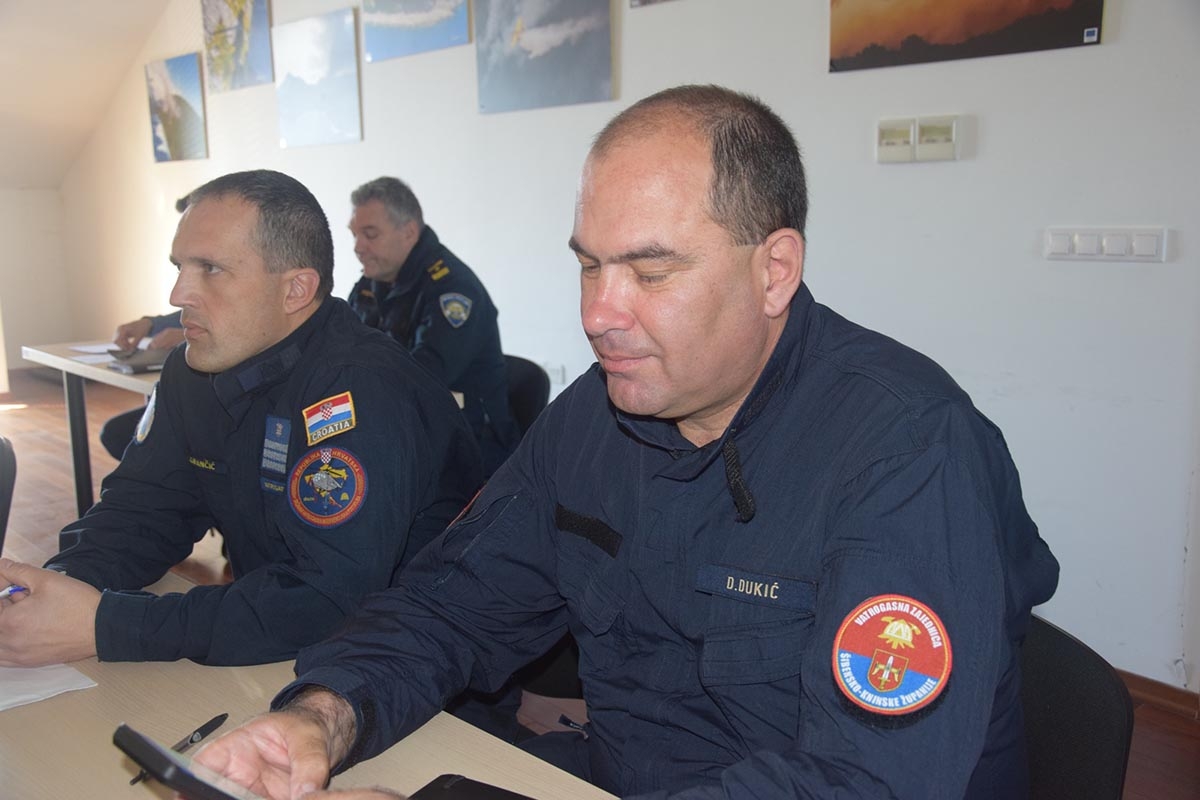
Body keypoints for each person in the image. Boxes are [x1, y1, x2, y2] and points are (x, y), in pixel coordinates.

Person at [189, 87, 1059, 799]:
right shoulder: (596, 416)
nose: (599, 314)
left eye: (650, 271)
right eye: (588, 265)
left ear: (774, 272)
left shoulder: (907, 449)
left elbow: (863, 782)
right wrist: (317, 720)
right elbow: (451, 603)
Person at [0, 169, 483, 667]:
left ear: (296, 290)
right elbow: (144, 509)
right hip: (280, 645)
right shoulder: (193, 370)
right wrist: (60, 585)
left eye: (210, 268)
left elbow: (325, 600)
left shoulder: (361, 390)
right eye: (180, 266)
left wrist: (108, 625)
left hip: (412, 664)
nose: (178, 294)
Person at [347, 177, 520, 475]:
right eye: (354, 235)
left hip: (468, 444)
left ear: (408, 232)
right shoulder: (372, 283)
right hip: (405, 430)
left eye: (370, 234)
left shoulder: (452, 289)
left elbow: (421, 379)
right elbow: (344, 351)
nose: (358, 247)